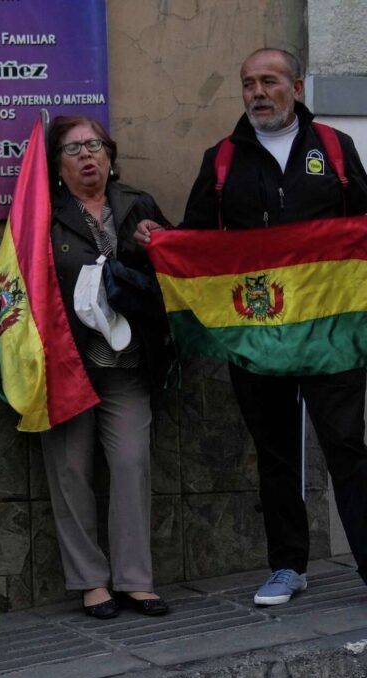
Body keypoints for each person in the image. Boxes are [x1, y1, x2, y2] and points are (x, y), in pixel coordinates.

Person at [138, 47, 367, 606]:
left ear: (297, 89)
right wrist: (159, 241)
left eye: (269, 81)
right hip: (255, 333)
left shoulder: (335, 150)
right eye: (248, 84)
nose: (257, 92)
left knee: (347, 448)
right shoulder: (221, 160)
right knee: (275, 451)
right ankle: (288, 566)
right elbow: (198, 240)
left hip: (328, 333)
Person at [42, 115, 172, 619]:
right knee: (71, 471)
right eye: (73, 150)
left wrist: (156, 239)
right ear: (58, 167)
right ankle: (92, 582)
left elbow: (173, 263)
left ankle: (135, 580)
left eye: (94, 145)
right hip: (68, 364)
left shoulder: (137, 202)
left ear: (110, 155)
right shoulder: (45, 215)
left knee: (131, 462)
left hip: (128, 362)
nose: (86, 156)